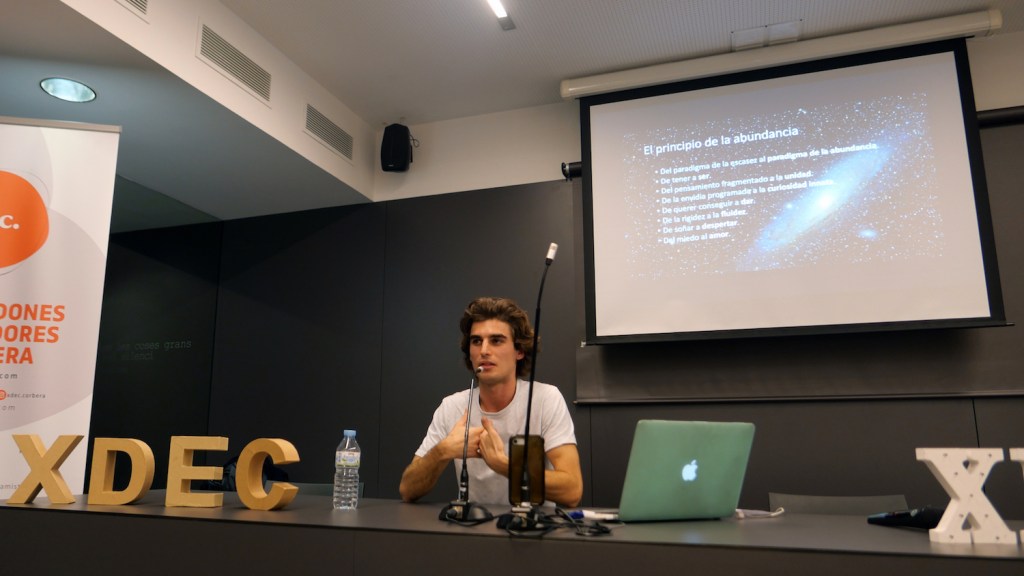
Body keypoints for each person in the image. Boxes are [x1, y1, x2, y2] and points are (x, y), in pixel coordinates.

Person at [399, 297, 583, 508]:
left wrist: (503, 465)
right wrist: (443, 451)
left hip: (533, 526)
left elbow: (572, 491)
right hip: (475, 526)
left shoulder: (545, 399)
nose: (484, 350)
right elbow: (407, 490)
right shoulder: (452, 407)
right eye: (476, 341)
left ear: (519, 351)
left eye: (496, 340)